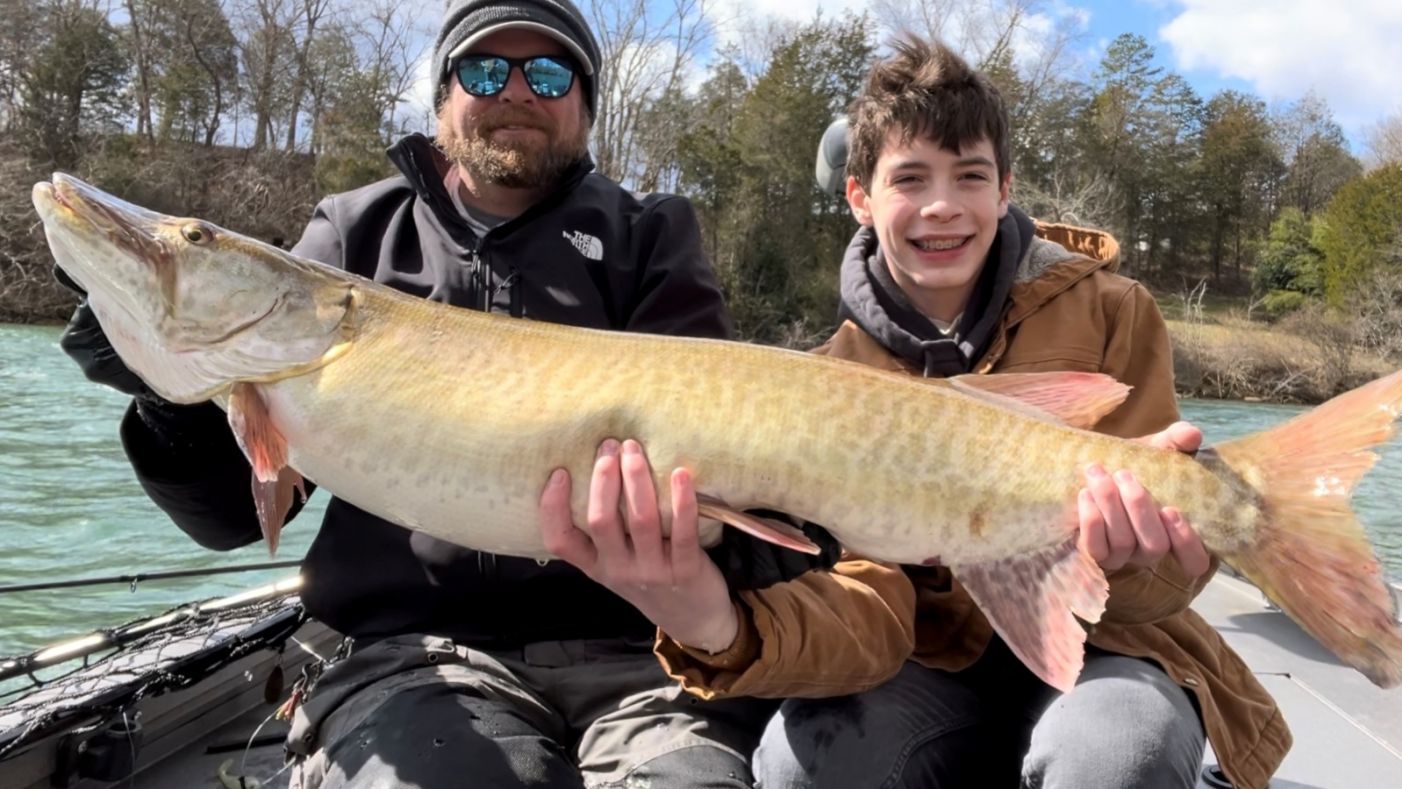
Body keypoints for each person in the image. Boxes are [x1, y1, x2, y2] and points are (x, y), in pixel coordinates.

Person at [54, 1, 835, 786]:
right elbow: (229, 516)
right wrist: (167, 396)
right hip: (412, 657)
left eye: (551, 72)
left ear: (586, 108)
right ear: (442, 99)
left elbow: (734, 472)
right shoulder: (353, 237)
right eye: (485, 69)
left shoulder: (650, 237)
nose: (517, 91)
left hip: (644, 662)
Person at [651, 36, 1292, 789]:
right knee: (795, 765)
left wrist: (1130, 557)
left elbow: (1164, 591)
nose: (943, 205)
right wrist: (711, 621)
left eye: (970, 176)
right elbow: (866, 598)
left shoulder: (1116, 310)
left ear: (1005, 188)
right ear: (860, 196)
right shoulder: (826, 381)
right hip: (925, 661)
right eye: (910, 178)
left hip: (1111, 646)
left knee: (1118, 755)